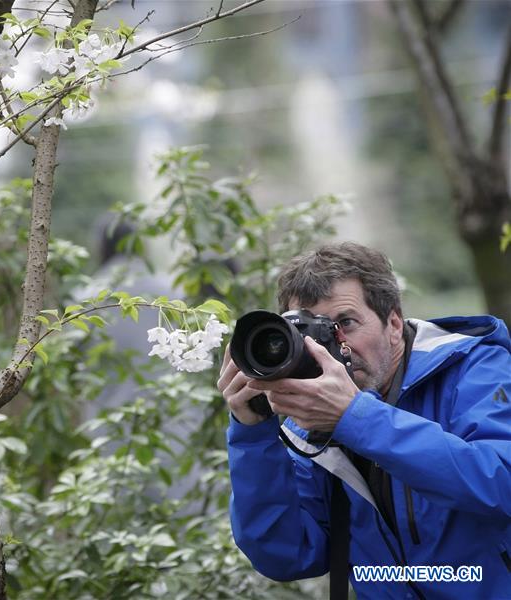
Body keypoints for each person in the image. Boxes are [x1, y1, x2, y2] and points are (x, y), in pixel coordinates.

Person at [217, 242, 511, 599]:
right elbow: (285, 555)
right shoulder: (311, 425)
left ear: (393, 323)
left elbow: (500, 484)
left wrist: (355, 418)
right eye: (312, 331)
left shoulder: (475, 369)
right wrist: (252, 435)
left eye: (345, 323)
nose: (332, 346)